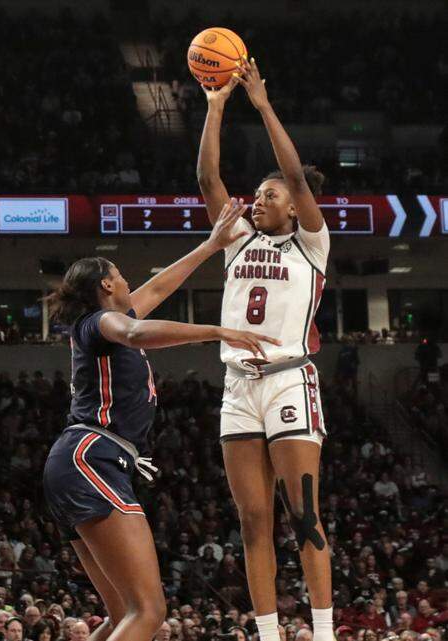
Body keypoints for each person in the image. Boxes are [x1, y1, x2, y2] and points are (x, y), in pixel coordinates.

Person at [42, 201, 276, 641]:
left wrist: (210, 246)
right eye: (123, 275)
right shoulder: (100, 322)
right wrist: (217, 330)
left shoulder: (104, 319)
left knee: (123, 615)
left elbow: (159, 288)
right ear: (108, 283)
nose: (132, 282)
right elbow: (133, 331)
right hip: (92, 456)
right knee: (149, 612)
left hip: (78, 460)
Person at [196, 58, 335, 641]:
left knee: (303, 517)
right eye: (257, 192)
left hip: (288, 380)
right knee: (253, 522)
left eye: (269, 192)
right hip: (237, 387)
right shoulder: (237, 238)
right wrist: (215, 106)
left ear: (291, 206)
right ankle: (270, 633)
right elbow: (208, 182)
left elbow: (298, 178)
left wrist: (261, 103)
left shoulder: (311, 243)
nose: (259, 198)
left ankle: (325, 633)